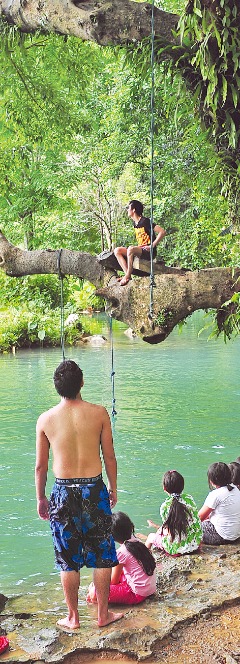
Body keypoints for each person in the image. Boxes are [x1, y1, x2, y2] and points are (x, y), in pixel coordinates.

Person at [35, 359, 123, 630]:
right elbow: (109, 456)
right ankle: (103, 615)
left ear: (56, 387)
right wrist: (113, 486)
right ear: (82, 382)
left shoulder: (45, 419)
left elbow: (40, 466)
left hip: (62, 491)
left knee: (66, 557)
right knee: (102, 553)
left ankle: (73, 617)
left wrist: (41, 498)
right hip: (94, 489)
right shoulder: (99, 414)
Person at [87, 511, 156, 605]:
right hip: (150, 588)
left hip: (137, 594)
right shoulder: (137, 542)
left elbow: (113, 581)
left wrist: (96, 585)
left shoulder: (121, 553)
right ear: (130, 527)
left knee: (95, 593)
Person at [142, 470, 202, 556]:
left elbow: (169, 531)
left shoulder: (165, 506)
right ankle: (154, 527)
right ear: (182, 486)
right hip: (195, 544)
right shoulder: (189, 499)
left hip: (176, 549)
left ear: (164, 488)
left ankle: (143, 559)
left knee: (151, 536)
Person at [114, 200, 166, 286]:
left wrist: (152, 245)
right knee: (117, 250)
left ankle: (127, 276)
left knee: (130, 249)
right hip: (141, 250)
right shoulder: (135, 223)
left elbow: (162, 232)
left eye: (128, 208)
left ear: (133, 210)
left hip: (149, 252)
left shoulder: (145, 221)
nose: (127, 210)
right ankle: (127, 274)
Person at [198, 462, 240, 544]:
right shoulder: (236, 489)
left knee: (193, 526)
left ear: (212, 480)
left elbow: (199, 517)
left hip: (221, 537)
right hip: (236, 535)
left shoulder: (215, 494)